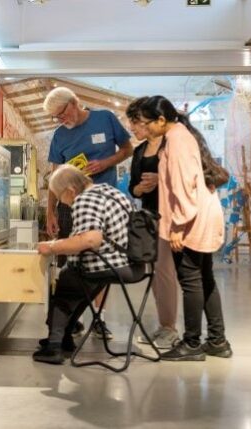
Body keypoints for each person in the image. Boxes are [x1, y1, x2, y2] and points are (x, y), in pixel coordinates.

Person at [133, 95, 232, 361]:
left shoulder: (175, 141)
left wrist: (177, 226)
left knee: (191, 281)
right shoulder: (181, 136)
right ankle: (217, 340)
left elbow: (182, 186)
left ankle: (191, 344)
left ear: (161, 120)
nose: (141, 128)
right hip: (200, 214)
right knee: (205, 278)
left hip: (190, 219)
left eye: (143, 122)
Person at [43, 87, 135, 340]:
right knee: (71, 264)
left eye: (62, 114)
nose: (62, 121)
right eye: (56, 118)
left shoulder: (104, 118)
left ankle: (98, 317)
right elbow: (54, 177)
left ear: (74, 103)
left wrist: (106, 163)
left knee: (99, 260)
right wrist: (50, 212)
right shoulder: (59, 136)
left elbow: (128, 149)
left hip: (103, 204)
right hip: (70, 205)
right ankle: (74, 318)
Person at [33, 165, 142, 365]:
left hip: (108, 264)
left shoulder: (84, 200)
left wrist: (52, 246)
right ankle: (65, 336)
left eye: (60, 198)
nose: (63, 203)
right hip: (132, 264)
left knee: (66, 279)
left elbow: (90, 240)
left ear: (70, 191)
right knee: (82, 285)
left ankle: (54, 346)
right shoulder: (111, 192)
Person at [126, 97, 180, 349]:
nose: (134, 129)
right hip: (148, 217)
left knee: (166, 273)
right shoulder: (138, 151)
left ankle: (170, 327)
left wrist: (161, 180)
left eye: (136, 123)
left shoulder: (171, 144)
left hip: (171, 216)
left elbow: (182, 177)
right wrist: (140, 187)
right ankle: (163, 325)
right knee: (156, 274)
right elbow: (132, 188)